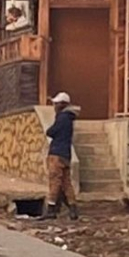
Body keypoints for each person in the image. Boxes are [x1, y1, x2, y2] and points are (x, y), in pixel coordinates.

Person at [44, 91, 80, 220]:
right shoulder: (69, 118)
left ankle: (51, 210)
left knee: (55, 181)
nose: (54, 106)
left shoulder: (62, 118)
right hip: (66, 154)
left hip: (57, 153)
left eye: (55, 103)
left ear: (61, 104)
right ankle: (73, 209)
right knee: (66, 183)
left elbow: (51, 131)